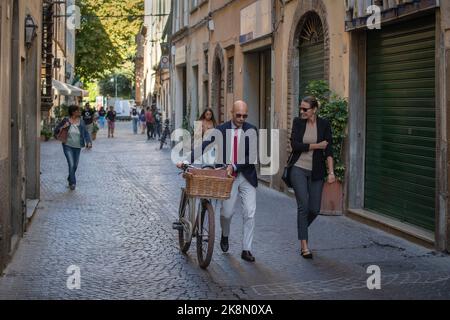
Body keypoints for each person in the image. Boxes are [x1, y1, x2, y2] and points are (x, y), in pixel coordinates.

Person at [178, 101, 258, 263]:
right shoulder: (221, 130)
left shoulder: (251, 130)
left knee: (249, 213)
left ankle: (246, 249)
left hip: (247, 176)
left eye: (245, 116)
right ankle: (225, 235)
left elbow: (253, 156)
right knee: (226, 214)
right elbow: (205, 146)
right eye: (238, 115)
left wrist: (234, 166)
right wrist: (186, 160)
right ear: (231, 113)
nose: (242, 119)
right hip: (226, 177)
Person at [289, 96, 335, 259]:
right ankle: (304, 246)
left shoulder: (324, 124)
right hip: (298, 169)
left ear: (314, 110)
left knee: (314, 209)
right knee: (303, 206)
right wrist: (317, 146)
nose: (301, 111)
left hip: (317, 171)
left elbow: (328, 150)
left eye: (305, 109)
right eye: (300, 108)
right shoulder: (298, 122)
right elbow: (295, 145)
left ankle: (302, 229)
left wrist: (331, 172)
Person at [54, 105, 92, 190]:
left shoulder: (81, 122)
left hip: (77, 146)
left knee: (75, 165)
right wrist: (63, 127)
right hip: (67, 145)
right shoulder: (66, 120)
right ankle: (73, 183)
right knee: (71, 164)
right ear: (73, 112)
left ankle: (70, 177)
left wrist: (88, 142)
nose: (79, 112)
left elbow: (85, 133)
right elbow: (56, 130)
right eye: (78, 111)